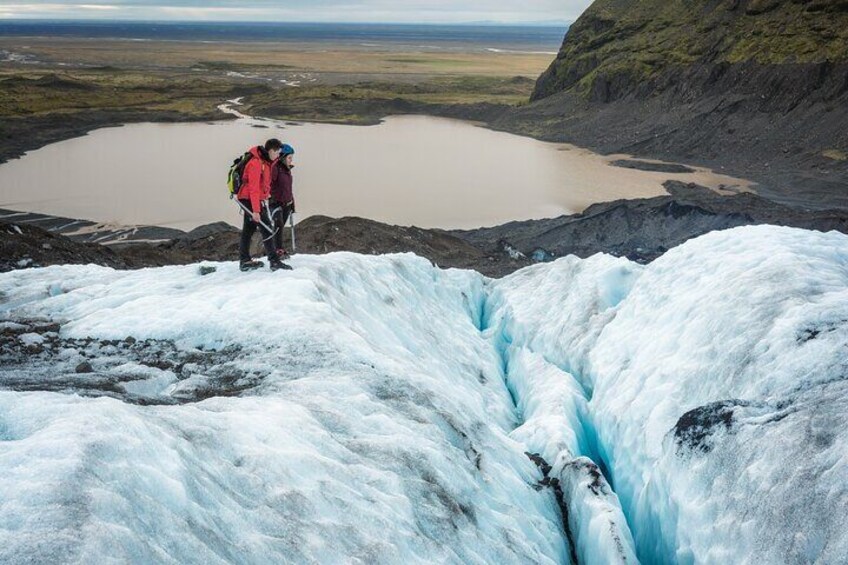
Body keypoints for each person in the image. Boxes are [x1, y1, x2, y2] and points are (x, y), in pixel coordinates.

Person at [236, 138, 291, 271]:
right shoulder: (256, 163)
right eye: (277, 152)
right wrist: (256, 210)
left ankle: (244, 261)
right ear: (271, 150)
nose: (278, 155)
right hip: (249, 200)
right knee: (267, 229)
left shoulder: (265, 162)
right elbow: (253, 188)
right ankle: (274, 261)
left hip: (251, 199)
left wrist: (266, 196)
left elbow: (263, 185)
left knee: (248, 230)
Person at [270, 143, 296, 258]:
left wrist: (292, 203)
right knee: (278, 224)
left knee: (280, 227)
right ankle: (276, 250)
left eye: (291, 158)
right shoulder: (275, 168)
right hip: (275, 202)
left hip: (287, 203)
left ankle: (278, 249)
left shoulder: (287, 170)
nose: (291, 160)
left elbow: (288, 188)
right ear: (282, 157)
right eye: (289, 157)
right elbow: (268, 183)